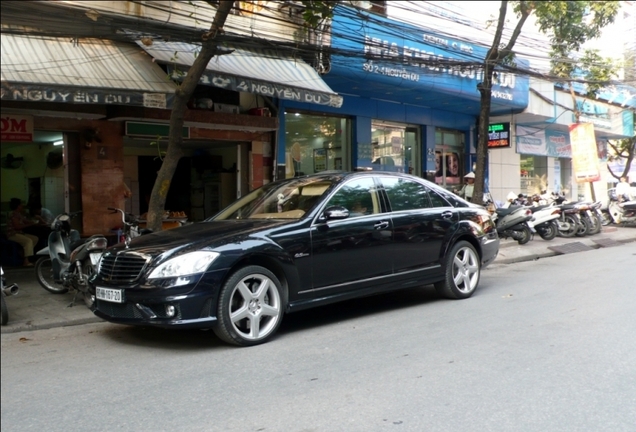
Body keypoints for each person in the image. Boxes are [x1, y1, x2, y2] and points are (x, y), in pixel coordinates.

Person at [7, 198, 40, 266]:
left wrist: (33, 221)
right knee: (28, 241)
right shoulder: (13, 215)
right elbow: (17, 227)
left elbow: (26, 220)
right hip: (12, 234)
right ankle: (26, 261)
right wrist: (31, 224)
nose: (22, 206)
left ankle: (23, 253)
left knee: (35, 238)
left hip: (19, 234)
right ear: (18, 206)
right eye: (21, 204)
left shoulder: (19, 214)